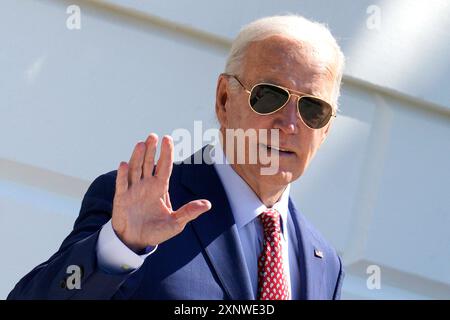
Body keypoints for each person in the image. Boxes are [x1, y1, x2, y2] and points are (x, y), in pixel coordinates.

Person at [8, 14, 345, 300]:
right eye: (270, 95)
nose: (288, 125)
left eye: (312, 108)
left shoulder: (325, 262)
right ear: (225, 99)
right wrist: (119, 247)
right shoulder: (140, 207)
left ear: (326, 129)